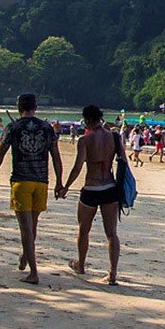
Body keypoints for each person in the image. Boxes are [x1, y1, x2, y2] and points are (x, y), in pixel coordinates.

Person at [0, 93, 62, 285]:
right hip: (41, 182)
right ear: (35, 107)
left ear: (18, 107)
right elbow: (56, 156)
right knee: (33, 226)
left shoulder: (13, 127)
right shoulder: (46, 128)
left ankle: (34, 272)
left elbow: (0, 153)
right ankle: (25, 256)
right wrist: (60, 181)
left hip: (21, 182)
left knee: (25, 229)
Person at [59, 104, 125, 286]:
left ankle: (80, 265)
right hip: (110, 188)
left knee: (83, 230)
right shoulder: (114, 137)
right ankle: (112, 273)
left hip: (91, 188)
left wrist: (65, 187)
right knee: (112, 233)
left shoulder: (85, 140)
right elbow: (123, 164)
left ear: (87, 120)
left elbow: (78, 167)